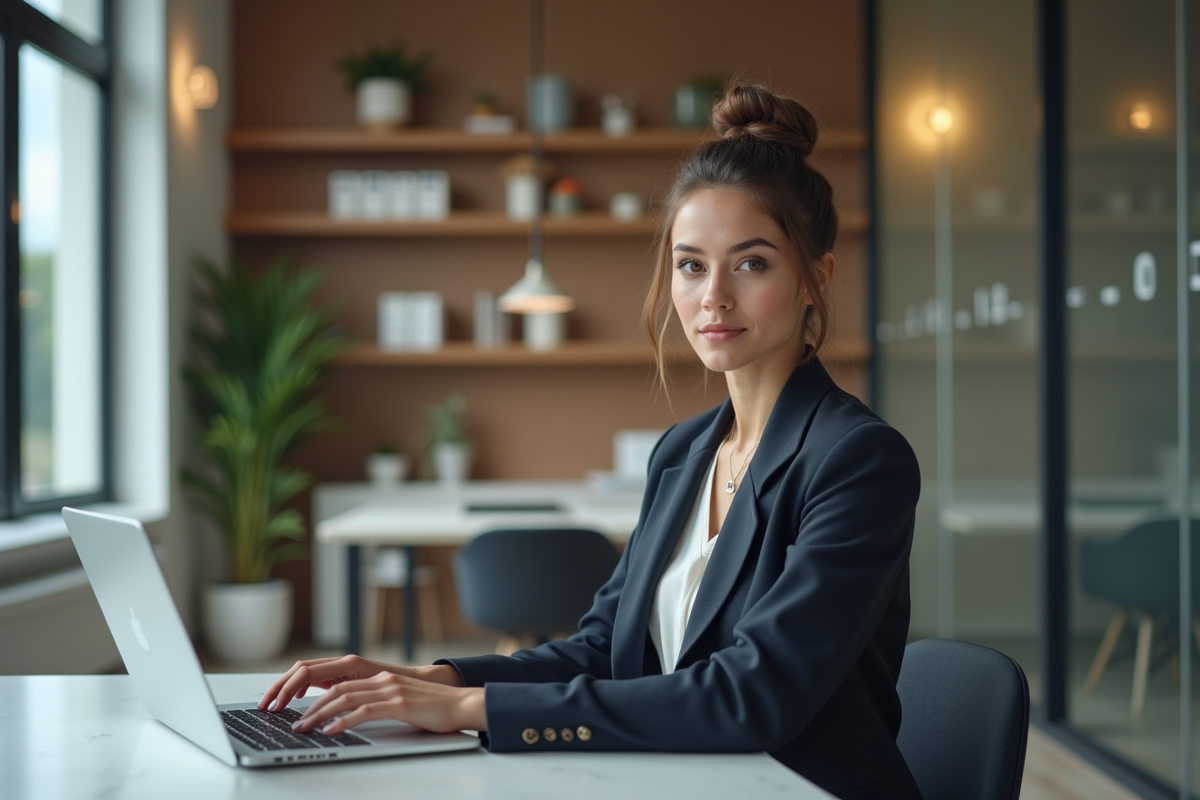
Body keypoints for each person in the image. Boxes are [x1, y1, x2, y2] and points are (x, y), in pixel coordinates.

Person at [260, 84, 923, 800]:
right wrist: (429, 678)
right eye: (692, 264)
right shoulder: (683, 453)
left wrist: (469, 710)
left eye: (752, 263)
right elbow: (605, 649)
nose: (713, 298)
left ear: (813, 278)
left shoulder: (857, 461)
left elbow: (753, 695)